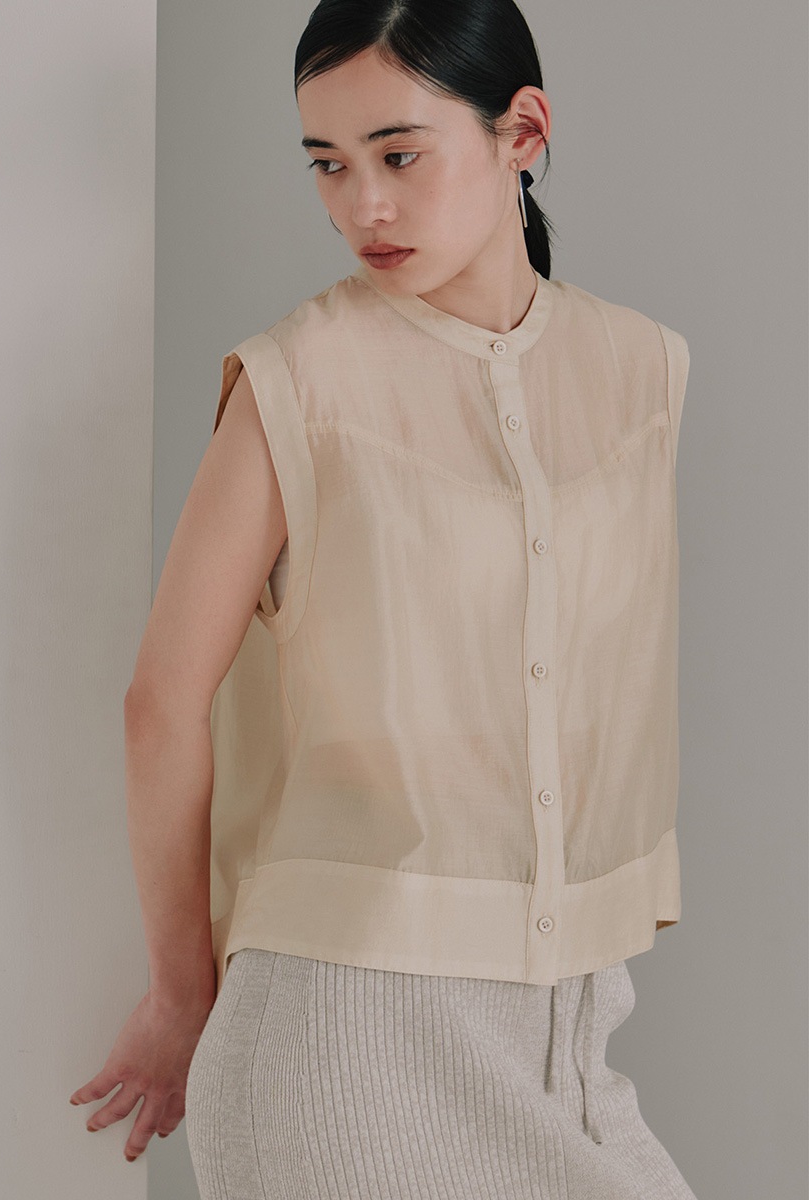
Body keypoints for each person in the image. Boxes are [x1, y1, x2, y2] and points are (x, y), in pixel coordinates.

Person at [69, 1, 698, 1196]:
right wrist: (182, 994)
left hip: (573, 1031)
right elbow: (161, 704)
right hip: (341, 1039)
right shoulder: (299, 381)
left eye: (399, 156)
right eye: (328, 164)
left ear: (522, 132)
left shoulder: (641, 371)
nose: (363, 205)